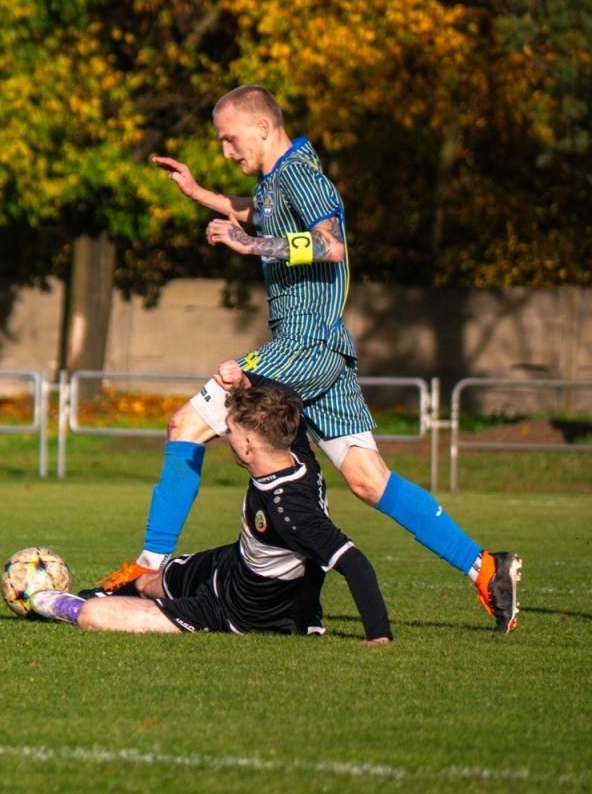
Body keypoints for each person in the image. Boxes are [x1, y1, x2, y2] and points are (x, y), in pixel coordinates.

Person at [99, 84, 522, 633]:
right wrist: (201, 193)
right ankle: (486, 568)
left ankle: (149, 567)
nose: (227, 151)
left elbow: (331, 244)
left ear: (263, 128)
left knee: (185, 426)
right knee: (369, 481)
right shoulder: (276, 179)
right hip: (325, 350)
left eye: (230, 139)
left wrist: (251, 246)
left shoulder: (301, 172)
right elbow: (262, 212)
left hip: (302, 344)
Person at [32, 382, 392, 643]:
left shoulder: (291, 511)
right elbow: (287, 397)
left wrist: (378, 636)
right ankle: (99, 591)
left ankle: (51, 601)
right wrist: (242, 380)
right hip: (231, 566)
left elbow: (355, 564)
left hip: (244, 613)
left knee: (94, 616)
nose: (225, 436)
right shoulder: (292, 447)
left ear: (249, 444)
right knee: (146, 581)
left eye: (230, 431)